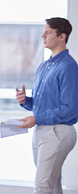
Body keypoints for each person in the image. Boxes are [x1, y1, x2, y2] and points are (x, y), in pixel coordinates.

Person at [16, 17, 78, 194]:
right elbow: (42, 104)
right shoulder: (44, 66)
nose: (43, 35)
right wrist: (25, 101)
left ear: (62, 36)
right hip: (42, 130)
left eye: (48, 32)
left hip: (58, 131)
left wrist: (36, 118)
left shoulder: (68, 66)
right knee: (52, 184)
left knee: (42, 186)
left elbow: (71, 108)